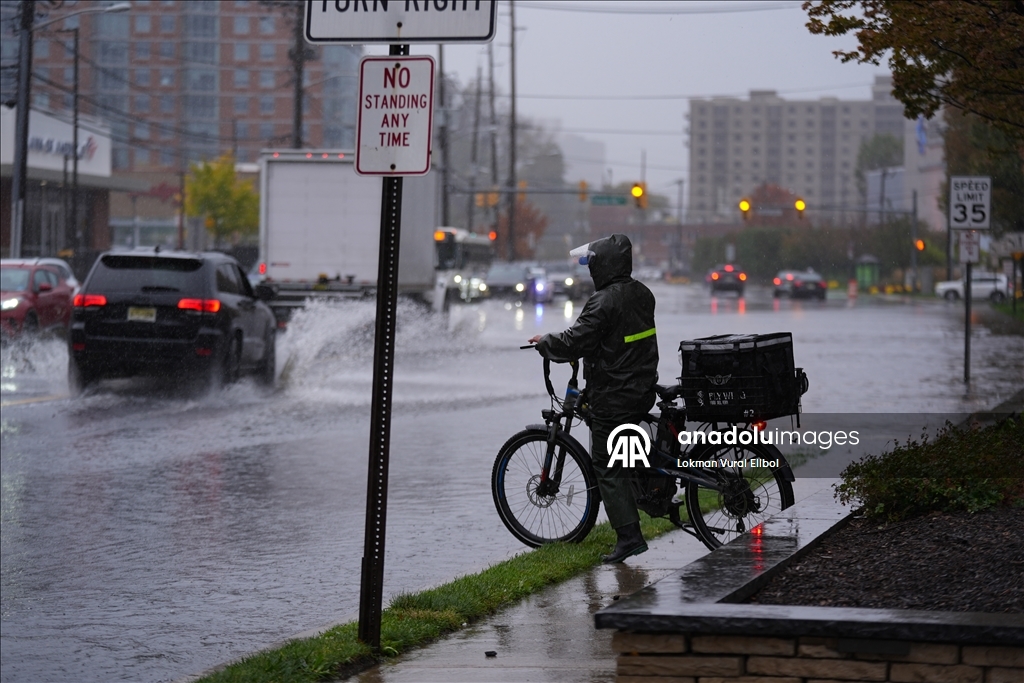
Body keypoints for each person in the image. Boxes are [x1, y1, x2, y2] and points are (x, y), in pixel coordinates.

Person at [527, 233, 659, 563]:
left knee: (606, 463)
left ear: (604, 266)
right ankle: (649, 495)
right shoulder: (642, 293)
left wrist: (546, 342)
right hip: (640, 387)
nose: (590, 271)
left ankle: (629, 537)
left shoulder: (604, 301)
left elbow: (577, 339)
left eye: (592, 264)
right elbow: (616, 338)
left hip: (615, 395)